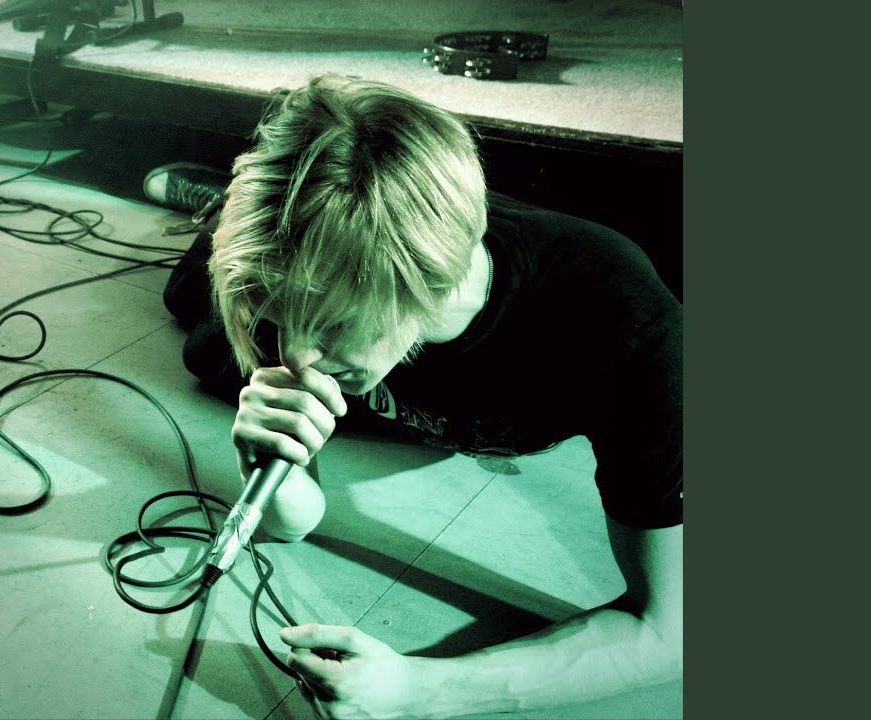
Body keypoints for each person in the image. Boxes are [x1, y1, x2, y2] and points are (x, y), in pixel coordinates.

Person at [159, 73, 682, 719]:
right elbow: (294, 523)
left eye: (329, 324)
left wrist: (420, 690)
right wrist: (276, 479)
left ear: (427, 284)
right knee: (197, 332)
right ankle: (215, 210)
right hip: (365, 337)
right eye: (279, 314)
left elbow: (671, 631)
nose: (294, 356)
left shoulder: (629, 327)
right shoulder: (303, 299)